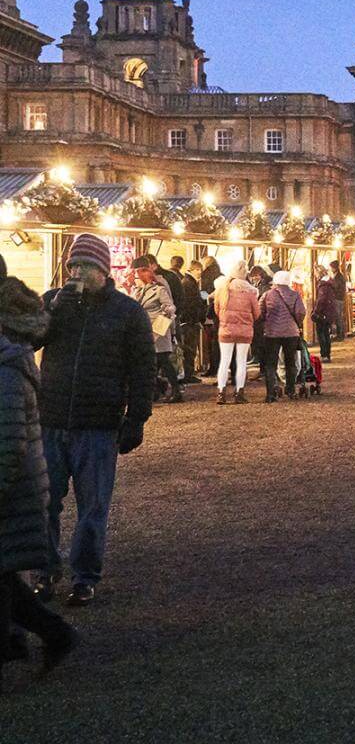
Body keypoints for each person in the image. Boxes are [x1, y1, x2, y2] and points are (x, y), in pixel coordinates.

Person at [35, 234, 155, 607]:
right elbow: (29, 341)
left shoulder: (127, 311)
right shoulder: (55, 302)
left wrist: (136, 418)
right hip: (51, 419)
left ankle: (84, 576)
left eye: (84, 266)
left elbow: (142, 369)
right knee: (44, 501)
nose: (76, 272)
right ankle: (45, 570)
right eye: (72, 265)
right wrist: (53, 309)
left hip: (98, 424)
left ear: (103, 269)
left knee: (92, 506)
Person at [0, 271, 79, 689]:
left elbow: (9, 436)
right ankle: (52, 634)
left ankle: (41, 636)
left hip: (10, 488)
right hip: (16, 481)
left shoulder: (8, 364)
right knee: (5, 577)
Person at [131, 256, 182, 405]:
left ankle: (175, 390)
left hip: (158, 332)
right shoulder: (138, 290)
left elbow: (170, 308)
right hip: (145, 332)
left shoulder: (159, 289)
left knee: (163, 361)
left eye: (140, 272)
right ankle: (158, 389)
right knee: (153, 363)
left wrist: (163, 327)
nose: (138, 276)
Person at [213, 261, 260, 405]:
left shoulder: (222, 289)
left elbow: (216, 309)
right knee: (241, 362)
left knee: (224, 361)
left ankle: (221, 392)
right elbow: (257, 313)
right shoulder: (251, 291)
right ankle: (239, 392)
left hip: (226, 330)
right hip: (245, 331)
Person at [260, 270, 306, 401]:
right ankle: (290, 390)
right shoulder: (295, 295)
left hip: (272, 333)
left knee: (271, 363)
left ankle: (270, 394)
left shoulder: (267, 295)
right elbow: (301, 312)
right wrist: (296, 322)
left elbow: (260, 312)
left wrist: (267, 322)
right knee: (290, 361)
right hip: (291, 332)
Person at [176, 260, 205, 384]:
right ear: (191, 269)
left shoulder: (188, 282)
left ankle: (189, 373)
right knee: (189, 348)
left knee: (190, 348)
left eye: (200, 270)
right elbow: (190, 305)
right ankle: (188, 374)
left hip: (189, 321)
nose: (199, 272)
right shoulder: (188, 283)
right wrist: (195, 320)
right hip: (189, 322)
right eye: (197, 270)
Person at [200, 254, 222, 376]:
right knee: (217, 343)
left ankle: (213, 367)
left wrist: (205, 298)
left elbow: (203, 292)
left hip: (208, 312)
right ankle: (218, 367)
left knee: (211, 342)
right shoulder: (221, 275)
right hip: (219, 314)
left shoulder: (205, 275)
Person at [313, 267, 337, 361]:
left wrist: (316, 311)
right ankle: (327, 354)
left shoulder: (323, 286)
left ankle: (324, 354)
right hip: (329, 312)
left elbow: (321, 300)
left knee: (322, 333)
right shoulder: (329, 284)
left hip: (323, 313)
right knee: (326, 333)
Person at [328, 260, 347, 340]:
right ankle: (340, 334)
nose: (331, 269)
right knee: (338, 317)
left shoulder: (339, 277)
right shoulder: (338, 276)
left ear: (334, 268)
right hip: (339, 299)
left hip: (338, 299)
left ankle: (340, 335)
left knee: (338, 317)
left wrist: (330, 282)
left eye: (331, 268)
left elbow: (336, 287)